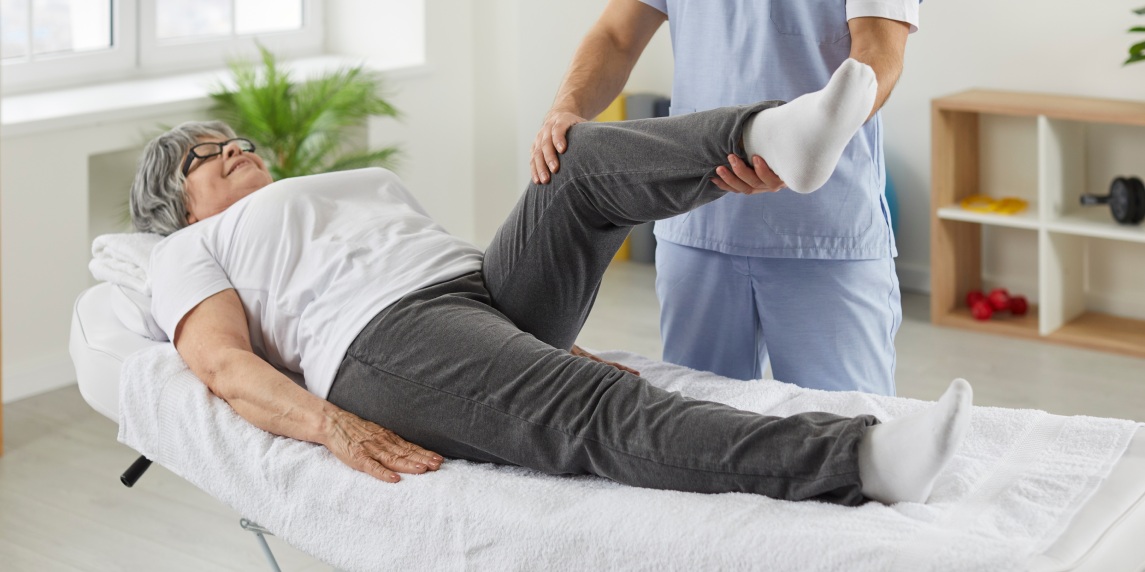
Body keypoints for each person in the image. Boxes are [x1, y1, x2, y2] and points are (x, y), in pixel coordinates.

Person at [131, 63, 969, 507]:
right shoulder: (187, 252)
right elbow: (221, 366)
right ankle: (857, 460)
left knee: (576, 165)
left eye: (230, 138)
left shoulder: (325, 186)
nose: (232, 147)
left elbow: (426, 252)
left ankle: (772, 136)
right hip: (380, 341)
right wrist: (329, 426)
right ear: (178, 205)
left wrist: (541, 338)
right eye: (205, 157)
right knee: (593, 409)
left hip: (476, 291)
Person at [530, 0, 917, 393]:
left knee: (848, 431)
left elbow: (878, 52)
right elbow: (617, 34)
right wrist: (567, 107)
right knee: (697, 434)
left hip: (824, 232)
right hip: (697, 221)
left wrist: (818, 138)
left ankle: (800, 143)